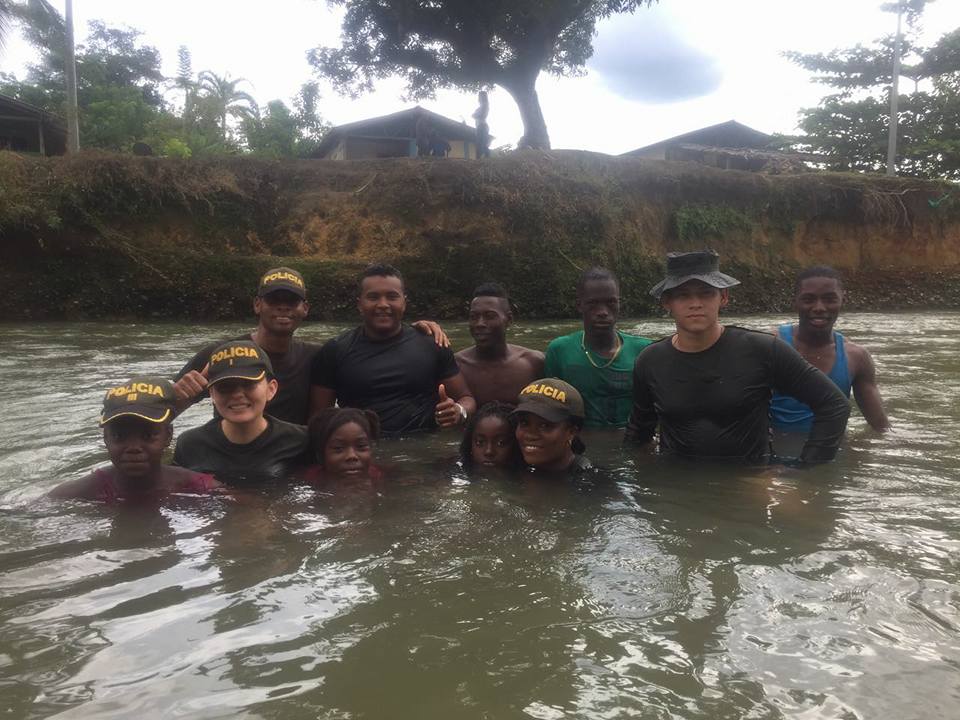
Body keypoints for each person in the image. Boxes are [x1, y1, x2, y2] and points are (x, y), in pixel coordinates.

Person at [625, 250, 850, 465]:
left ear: (723, 297)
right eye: (683, 295)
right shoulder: (650, 361)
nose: (695, 304)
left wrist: (805, 469)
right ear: (667, 302)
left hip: (747, 486)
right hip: (676, 487)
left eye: (706, 293)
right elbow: (639, 433)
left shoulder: (762, 349)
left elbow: (834, 405)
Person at [173, 266, 448, 425]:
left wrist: (415, 332)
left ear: (304, 308)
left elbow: (369, 357)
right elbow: (163, 411)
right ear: (257, 305)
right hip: (231, 460)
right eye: (273, 299)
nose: (283, 306)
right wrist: (182, 395)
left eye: (291, 301)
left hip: (293, 461)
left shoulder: (318, 356)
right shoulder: (221, 354)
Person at [309, 264, 476, 436]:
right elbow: (319, 419)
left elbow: (467, 399)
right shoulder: (335, 351)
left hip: (424, 449)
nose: (383, 304)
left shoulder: (433, 344)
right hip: (364, 451)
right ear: (359, 304)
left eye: (392, 297)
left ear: (404, 303)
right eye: (373, 297)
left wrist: (459, 411)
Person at [50, 376, 221, 502]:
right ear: (105, 439)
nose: (133, 447)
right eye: (119, 436)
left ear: (168, 436)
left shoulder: (201, 487)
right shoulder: (76, 493)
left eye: (148, 436)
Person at [771, 266, 889, 432]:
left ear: (842, 300)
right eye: (808, 299)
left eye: (829, 299)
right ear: (795, 301)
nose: (819, 307)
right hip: (773, 453)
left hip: (831, 453)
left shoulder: (856, 357)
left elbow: (881, 427)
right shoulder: (769, 345)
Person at [173, 340, 310, 482]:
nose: (237, 394)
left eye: (248, 384)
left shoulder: (301, 441)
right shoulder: (189, 444)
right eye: (225, 386)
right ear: (212, 394)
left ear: (271, 389)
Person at [544, 268, 653, 428]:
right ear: (579, 305)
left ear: (619, 303)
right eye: (593, 304)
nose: (602, 312)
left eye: (610, 303)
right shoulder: (560, 350)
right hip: (581, 444)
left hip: (631, 441)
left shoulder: (644, 350)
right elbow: (550, 410)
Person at [455, 283, 544, 407]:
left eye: (490, 316)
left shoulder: (534, 362)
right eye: (473, 317)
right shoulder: (456, 366)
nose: (479, 323)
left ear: (509, 319)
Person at [513, 379, 592, 473]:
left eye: (544, 425)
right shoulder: (511, 468)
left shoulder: (591, 482)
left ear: (571, 432)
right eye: (524, 423)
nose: (530, 435)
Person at [307, 407, 382, 481]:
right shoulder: (312, 480)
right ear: (320, 455)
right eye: (338, 448)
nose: (351, 456)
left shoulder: (376, 477)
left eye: (361, 446)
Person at [459, 402, 522, 469]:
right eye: (480, 442)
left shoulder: (529, 476)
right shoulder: (455, 469)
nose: (488, 451)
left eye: (500, 443)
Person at [473, 90, 490, 159]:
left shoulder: (485, 105)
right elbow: (476, 115)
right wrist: (475, 114)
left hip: (482, 126)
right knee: (481, 144)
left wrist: (475, 115)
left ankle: (478, 160)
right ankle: (486, 158)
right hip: (480, 126)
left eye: (480, 96)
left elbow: (482, 115)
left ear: (483, 97)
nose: (478, 98)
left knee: (480, 144)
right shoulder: (481, 107)